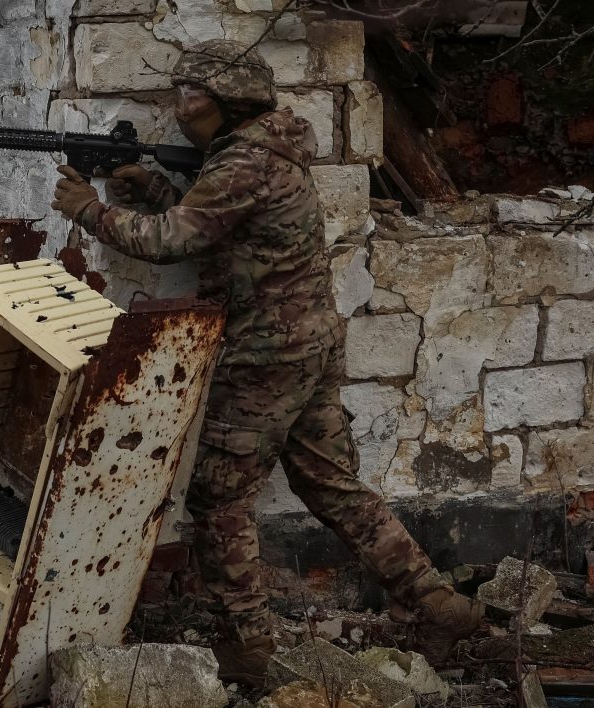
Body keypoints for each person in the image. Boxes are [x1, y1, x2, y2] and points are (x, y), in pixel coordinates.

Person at [49, 39, 483, 687]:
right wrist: (157, 188)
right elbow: (223, 224)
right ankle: (436, 602)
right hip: (305, 341)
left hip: (266, 352)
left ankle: (247, 649)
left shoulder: (243, 161)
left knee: (220, 498)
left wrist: (90, 210)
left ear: (226, 101)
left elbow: (175, 242)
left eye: (189, 95)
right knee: (327, 482)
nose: (180, 106)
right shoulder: (260, 152)